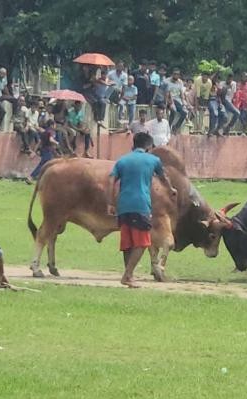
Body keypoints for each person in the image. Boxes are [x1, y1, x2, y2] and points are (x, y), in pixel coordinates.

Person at [107, 132, 175, 288]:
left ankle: (128, 275)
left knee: (127, 243)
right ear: (149, 146)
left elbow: (111, 180)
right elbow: (163, 177)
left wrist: (110, 203)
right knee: (143, 243)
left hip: (123, 206)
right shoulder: (153, 160)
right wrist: (171, 189)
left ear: (134, 145)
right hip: (141, 205)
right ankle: (127, 275)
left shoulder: (122, 161)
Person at [27, 119, 58, 184]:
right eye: (54, 124)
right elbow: (50, 139)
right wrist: (56, 143)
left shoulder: (44, 132)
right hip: (48, 150)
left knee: (47, 165)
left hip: (43, 150)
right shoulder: (51, 132)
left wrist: (34, 151)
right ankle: (31, 177)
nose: (55, 126)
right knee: (44, 165)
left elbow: (39, 142)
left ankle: (44, 179)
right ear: (52, 125)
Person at [164, 69, 187, 133]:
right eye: (175, 74)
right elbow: (166, 94)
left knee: (184, 113)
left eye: (177, 74)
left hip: (177, 100)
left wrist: (183, 104)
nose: (176, 75)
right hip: (170, 99)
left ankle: (176, 127)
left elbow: (182, 94)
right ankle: (169, 126)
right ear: (172, 74)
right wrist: (166, 104)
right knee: (173, 111)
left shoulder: (180, 83)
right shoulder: (168, 82)